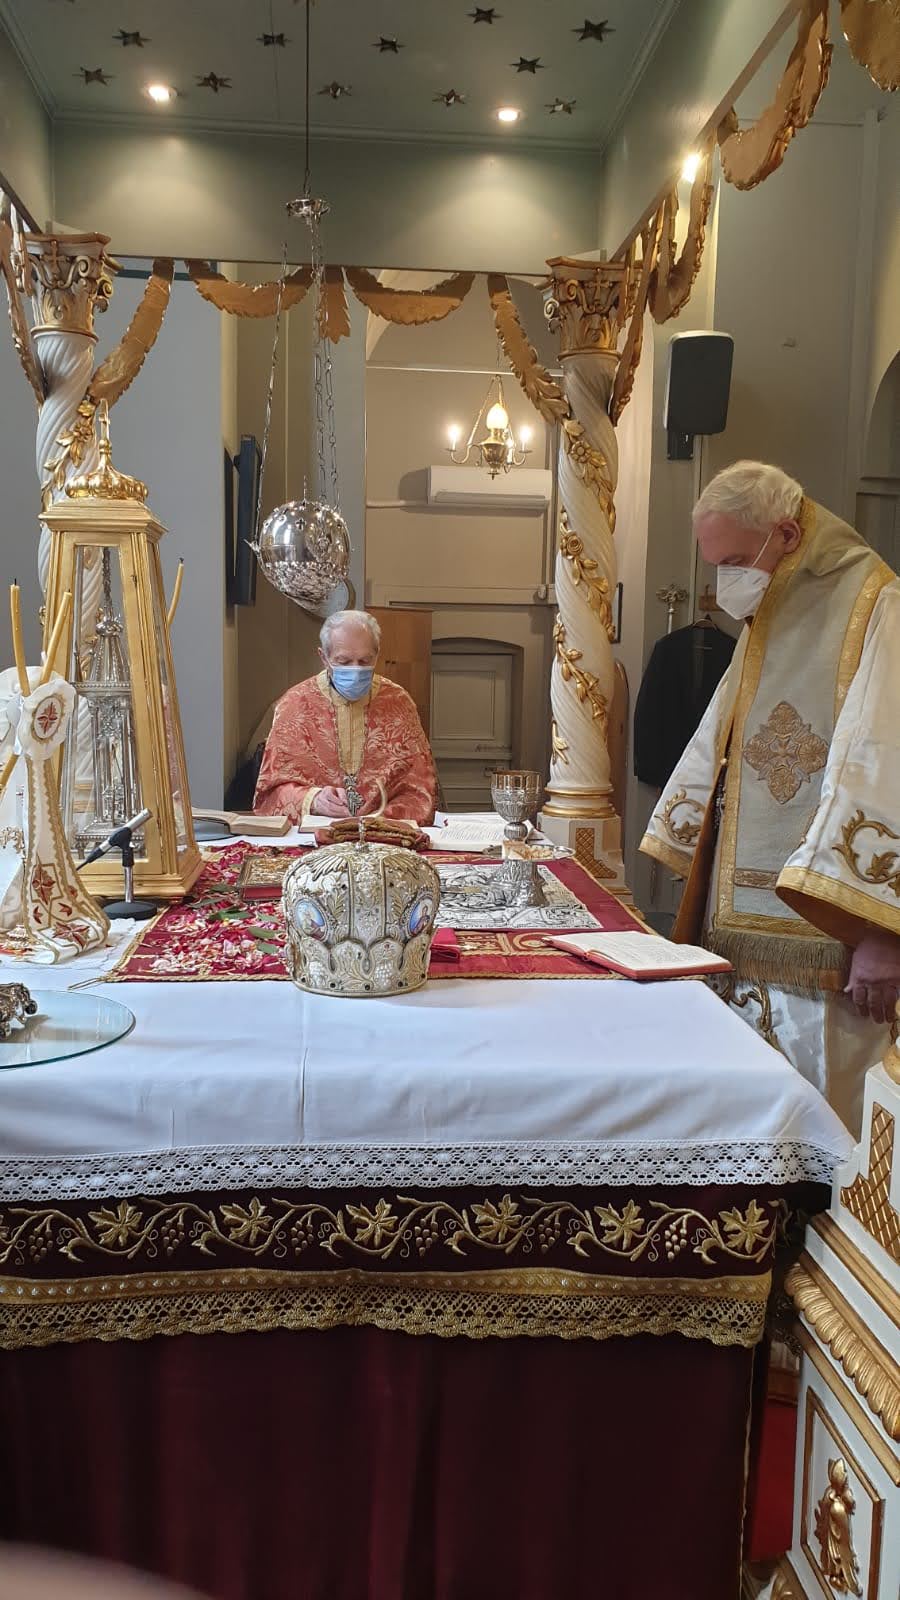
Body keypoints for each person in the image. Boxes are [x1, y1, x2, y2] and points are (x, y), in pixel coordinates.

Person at [640, 461, 899, 1132]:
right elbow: (723, 741)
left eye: (733, 561)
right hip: (738, 928)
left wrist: (882, 933)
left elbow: (884, 768)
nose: (724, 582)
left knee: (820, 1116)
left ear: (785, 534)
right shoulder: (771, 609)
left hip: (829, 942)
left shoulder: (877, 604)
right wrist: (689, 841)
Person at [254, 609, 438, 825]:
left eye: (364, 661)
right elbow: (269, 795)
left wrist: (376, 820)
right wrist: (312, 800)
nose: (355, 670)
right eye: (344, 661)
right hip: (315, 835)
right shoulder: (295, 704)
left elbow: (420, 792)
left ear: (377, 655)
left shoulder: (399, 702)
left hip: (381, 834)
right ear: (324, 657)